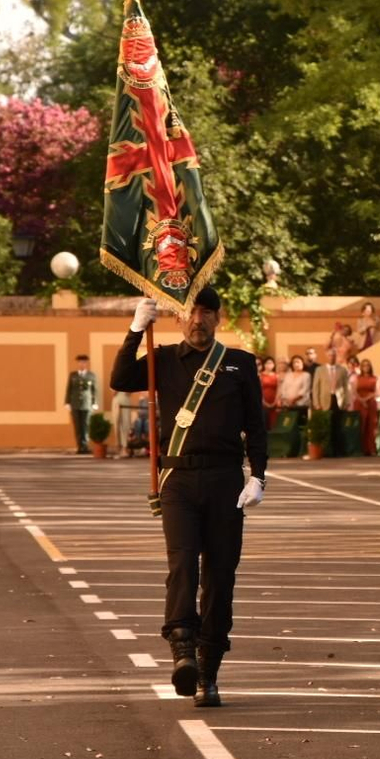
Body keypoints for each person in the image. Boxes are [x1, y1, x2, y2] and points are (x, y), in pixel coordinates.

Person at [109, 287, 267, 708]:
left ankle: (209, 668)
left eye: (206, 312)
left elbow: (256, 424)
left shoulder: (239, 363)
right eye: (190, 312)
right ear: (179, 318)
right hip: (178, 478)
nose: (198, 319)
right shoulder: (163, 359)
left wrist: (260, 477)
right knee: (182, 564)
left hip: (225, 480)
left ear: (218, 318)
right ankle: (182, 649)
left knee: (221, 574)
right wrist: (134, 328)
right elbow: (120, 380)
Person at [312, 349, 348, 456]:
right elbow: (315, 387)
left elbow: (346, 387)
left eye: (333, 355)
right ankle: (326, 451)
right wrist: (316, 403)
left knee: (338, 426)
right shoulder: (320, 370)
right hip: (324, 401)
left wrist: (346, 402)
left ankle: (338, 451)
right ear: (326, 356)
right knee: (325, 426)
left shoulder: (342, 370)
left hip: (338, 400)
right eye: (330, 355)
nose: (332, 357)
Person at [64, 354, 101, 454]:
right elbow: (69, 389)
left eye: (84, 362)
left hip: (87, 404)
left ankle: (85, 446)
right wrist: (67, 402)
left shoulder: (91, 375)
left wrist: (95, 402)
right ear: (78, 363)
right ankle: (79, 446)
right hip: (75, 404)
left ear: (87, 363)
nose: (82, 364)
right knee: (77, 426)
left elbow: (94, 390)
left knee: (86, 425)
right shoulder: (73, 375)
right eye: (80, 362)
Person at [354, 358, 380, 456]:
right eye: (364, 365)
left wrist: (366, 399)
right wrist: (361, 400)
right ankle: (360, 449)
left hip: (370, 403)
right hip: (359, 403)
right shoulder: (357, 378)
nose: (366, 367)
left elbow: (376, 392)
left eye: (367, 365)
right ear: (361, 367)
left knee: (371, 426)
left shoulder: (374, 378)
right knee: (361, 425)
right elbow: (354, 391)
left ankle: (371, 449)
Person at [278, 354, 312, 425]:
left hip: (301, 406)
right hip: (288, 405)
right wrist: (287, 400)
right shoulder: (288, 375)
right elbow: (283, 389)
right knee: (288, 425)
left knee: (300, 425)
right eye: (294, 362)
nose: (296, 364)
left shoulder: (306, 375)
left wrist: (293, 400)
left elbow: (304, 390)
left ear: (302, 363)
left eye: (298, 362)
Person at [258, 357, 279, 428]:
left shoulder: (277, 375)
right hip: (263, 400)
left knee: (274, 422)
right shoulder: (260, 375)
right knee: (264, 420)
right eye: (267, 363)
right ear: (264, 365)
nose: (269, 365)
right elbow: (259, 389)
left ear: (274, 365)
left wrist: (275, 401)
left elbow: (279, 389)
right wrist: (264, 402)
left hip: (274, 400)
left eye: (271, 363)